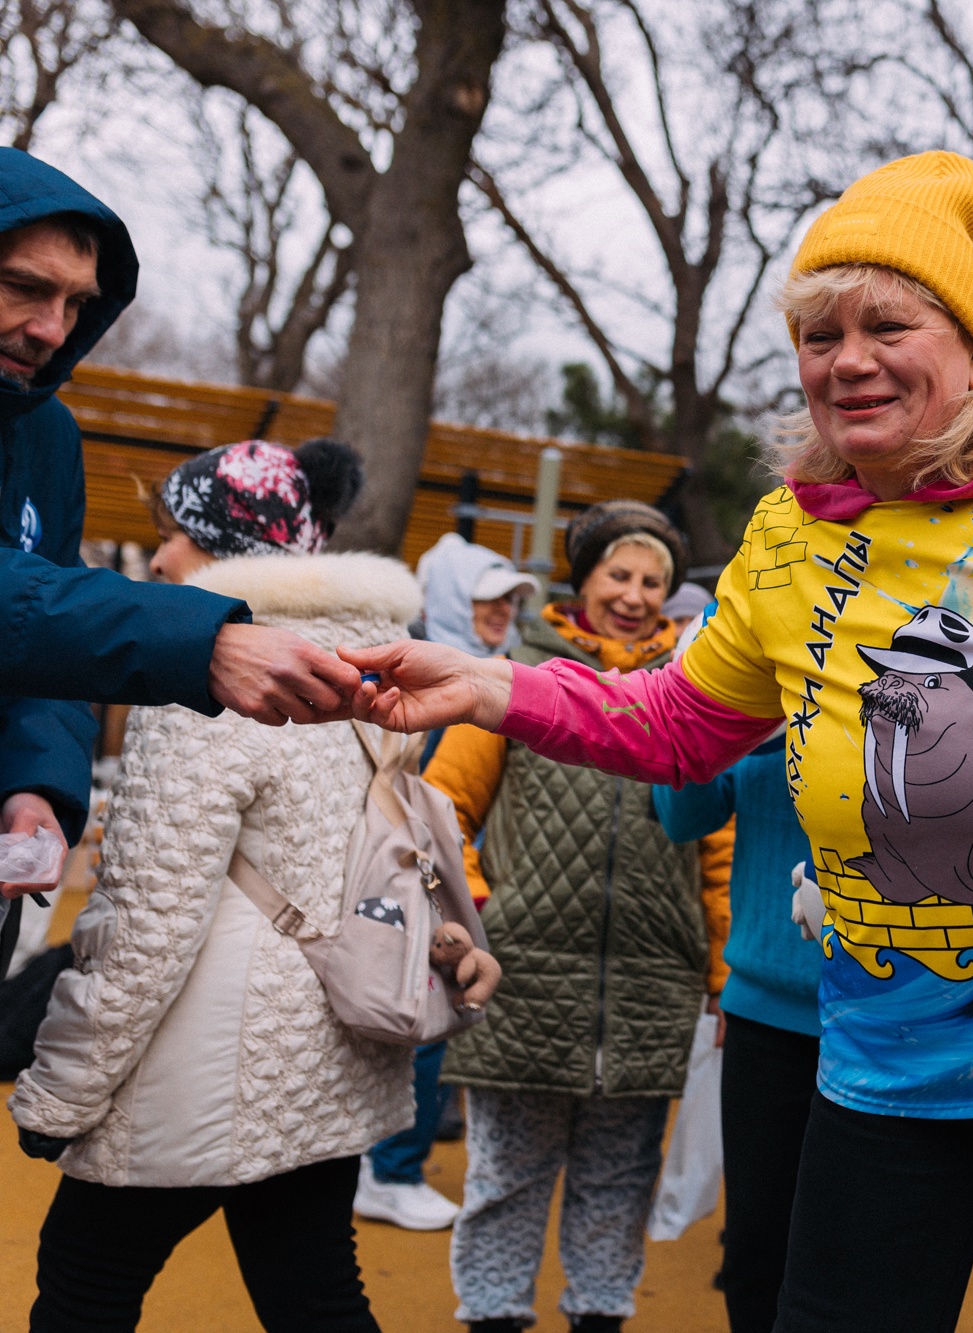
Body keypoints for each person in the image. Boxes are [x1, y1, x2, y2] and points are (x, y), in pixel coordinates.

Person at [344, 150, 973, 1333]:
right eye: (819, 335)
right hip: (889, 1030)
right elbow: (676, 727)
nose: (849, 359)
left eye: (887, 323)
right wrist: (492, 685)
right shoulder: (784, 537)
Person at [8, 438, 497, 1333]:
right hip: (327, 1057)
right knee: (313, 1290)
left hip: (193, 1065)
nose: (157, 558)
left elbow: (146, 927)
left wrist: (61, 1092)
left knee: (85, 1278)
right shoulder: (365, 668)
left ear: (227, 548)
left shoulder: (207, 683)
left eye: (173, 535)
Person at [0, 149, 361, 913]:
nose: (53, 329)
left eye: (75, 302)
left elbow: (45, 650)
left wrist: (36, 781)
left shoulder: (49, 435)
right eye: (25, 289)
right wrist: (199, 640)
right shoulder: (206, 650)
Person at [420, 499, 707, 1333]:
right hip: (522, 972)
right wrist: (471, 913)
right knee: (507, 1173)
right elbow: (443, 807)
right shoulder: (515, 675)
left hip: (652, 982)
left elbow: (714, 849)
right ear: (583, 579)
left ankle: (599, 1312)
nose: (636, 593)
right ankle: (495, 1313)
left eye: (655, 580)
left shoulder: (691, 689)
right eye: (620, 573)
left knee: (618, 1180)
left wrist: (718, 970)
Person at [350, 537, 538, 1234]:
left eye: (510, 597)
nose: (502, 609)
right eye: (486, 595)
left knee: (427, 1017)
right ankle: (390, 1169)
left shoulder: (498, 674)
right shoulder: (414, 673)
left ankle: (386, 1161)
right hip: (419, 877)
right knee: (418, 1012)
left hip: (455, 873)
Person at [654, 617, 818, 1333]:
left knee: (849, 1244)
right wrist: (697, 691)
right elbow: (682, 816)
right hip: (765, 1018)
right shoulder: (754, 679)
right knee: (755, 1245)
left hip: (888, 1014)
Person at [417, 533, 540, 657]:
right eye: (490, 598)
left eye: (509, 598)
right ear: (451, 605)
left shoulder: (524, 663)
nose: (505, 609)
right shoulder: (412, 670)